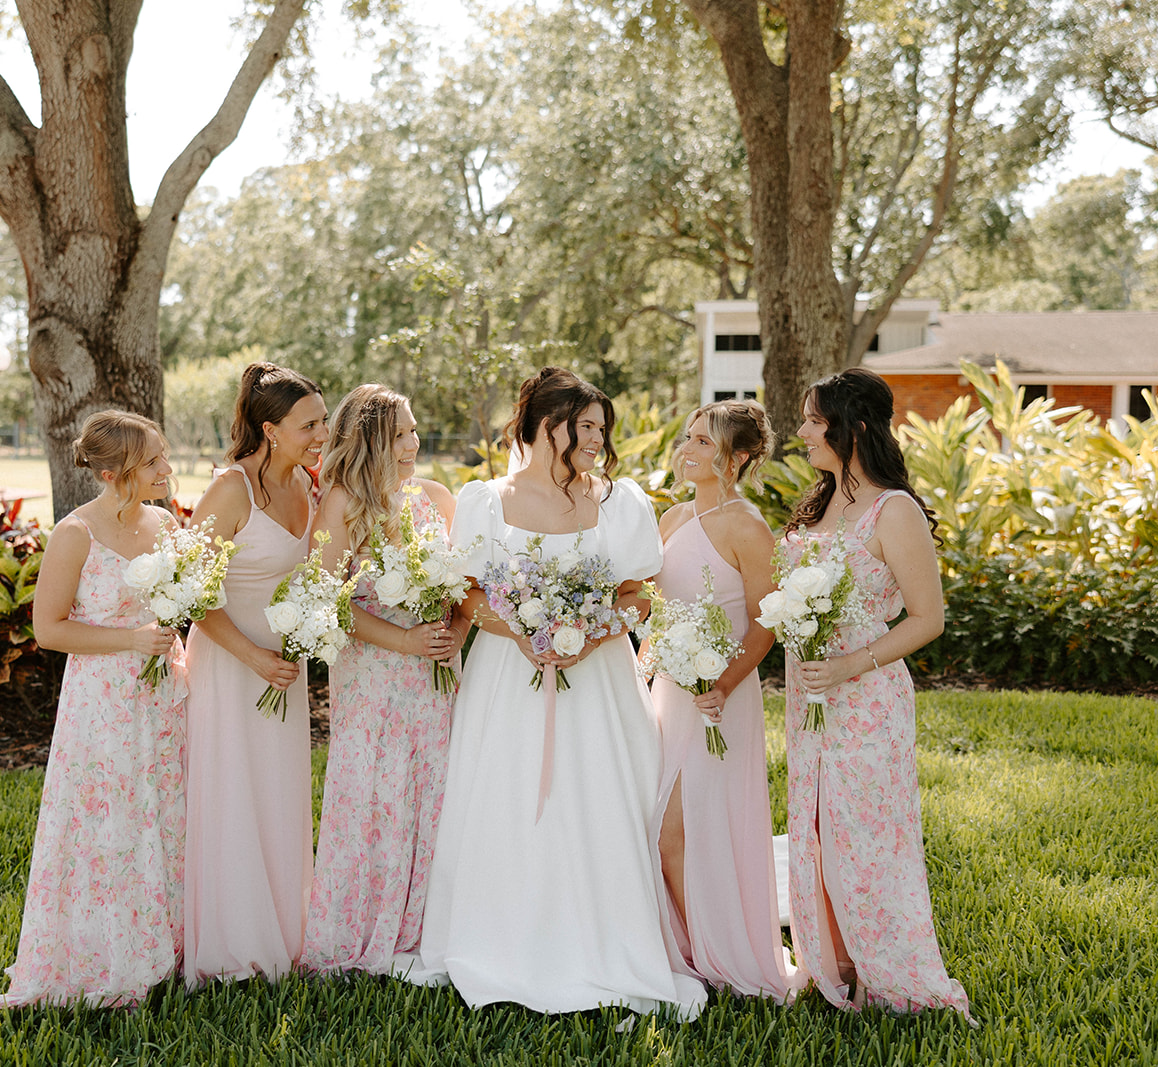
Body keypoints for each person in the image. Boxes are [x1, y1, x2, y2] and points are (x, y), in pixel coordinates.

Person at [414, 366, 706, 1019]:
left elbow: (636, 593)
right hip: (505, 679)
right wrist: (523, 634)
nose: (600, 438)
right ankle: (502, 934)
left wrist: (588, 632)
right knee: (508, 797)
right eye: (588, 426)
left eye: (604, 427)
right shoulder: (485, 501)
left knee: (601, 795)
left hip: (598, 679)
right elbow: (466, 592)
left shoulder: (619, 502)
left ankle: (608, 935)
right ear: (550, 425)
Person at [782, 367, 971, 1018]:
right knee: (812, 825)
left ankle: (889, 969)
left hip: (864, 700)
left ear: (852, 426)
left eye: (812, 418)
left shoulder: (896, 510)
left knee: (865, 832)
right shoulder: (820, 502)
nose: (802, 430)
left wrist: (846, 666)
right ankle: (830, 961)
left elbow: (927, 618)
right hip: (809, 700)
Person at [0, 410, 186, 1008]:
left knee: (165, 814)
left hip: (165, 697)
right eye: (151, 461)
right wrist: (131, 639)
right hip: (103, 703)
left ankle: (169, 947)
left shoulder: (167, 524)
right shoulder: (75, 534)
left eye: (163, 456)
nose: (165, 469)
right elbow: (48, 629)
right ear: (111, 471)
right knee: (111, 824)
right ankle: (106, 954)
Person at [301, 384, 466, 976]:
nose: (413, 443)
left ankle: (426, 924)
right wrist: (403, 639)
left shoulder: (436, 497)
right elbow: (326, 598)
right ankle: (362, 927)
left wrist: (453, 631)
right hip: (374, 675)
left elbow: (465, 587)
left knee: (434, 792)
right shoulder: (344, 502)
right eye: (401, 433)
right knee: (377, 795)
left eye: (415, 431)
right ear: (371, 438)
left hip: (436, 675)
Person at [648, 400, 804, 1004]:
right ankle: (691, 944)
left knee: (677, 832)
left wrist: (720, 685)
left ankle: (719, 958)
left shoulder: (748, 527)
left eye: (705, 443)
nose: (689, 451)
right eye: (688, 438)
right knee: (667, 828)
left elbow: (764, 626)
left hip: (720, 699)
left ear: (738, 458)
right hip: (668, 693)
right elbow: (654, 604)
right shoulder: (672, 517)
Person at [181, 362, 327, 983]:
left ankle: (287, 931)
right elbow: (188, 592)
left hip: (285, 671)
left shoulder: (312, 487)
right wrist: (252, 656)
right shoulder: (230, 490)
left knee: (279, 792)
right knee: (233, 792)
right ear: (270, 429)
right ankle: (234, 947)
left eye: (323, 421)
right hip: (232, 667)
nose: (323, 433)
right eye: (310, 424)